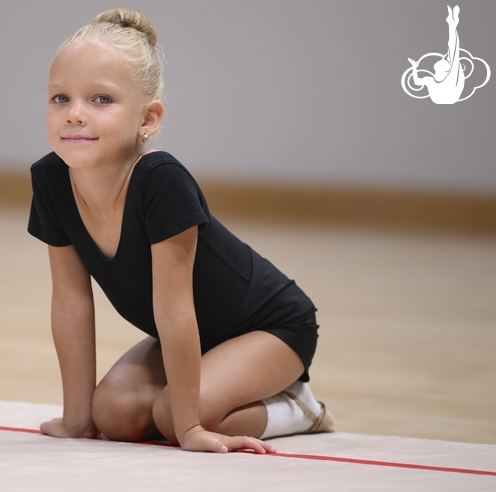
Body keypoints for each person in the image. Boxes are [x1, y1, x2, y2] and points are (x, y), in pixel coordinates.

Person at [28, 8, 335, 454]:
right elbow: (71, 304)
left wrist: (190, 427)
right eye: (60, 98)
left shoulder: (160, 179)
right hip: (200, 332)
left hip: (271, 328)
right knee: (110, 414)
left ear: (147, 119)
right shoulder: (50, 180)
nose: (74, 114)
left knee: (173, 417)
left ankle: (299, 407)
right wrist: (77, 418)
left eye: (100, 100)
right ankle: (197, 395)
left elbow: (174, 312)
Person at [408, 5, 464, 104]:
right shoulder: (431, 80)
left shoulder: (449, 78)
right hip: (445, 97)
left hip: (448, 96)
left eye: (443, 61)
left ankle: (452, 24)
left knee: (453, 51)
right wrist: (414, 67)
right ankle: (452, 23)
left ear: (445, 69)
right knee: (453, 51)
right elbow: (417, 82)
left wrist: (414, 68)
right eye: (444, 61)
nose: (440, 59)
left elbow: (453, 49)